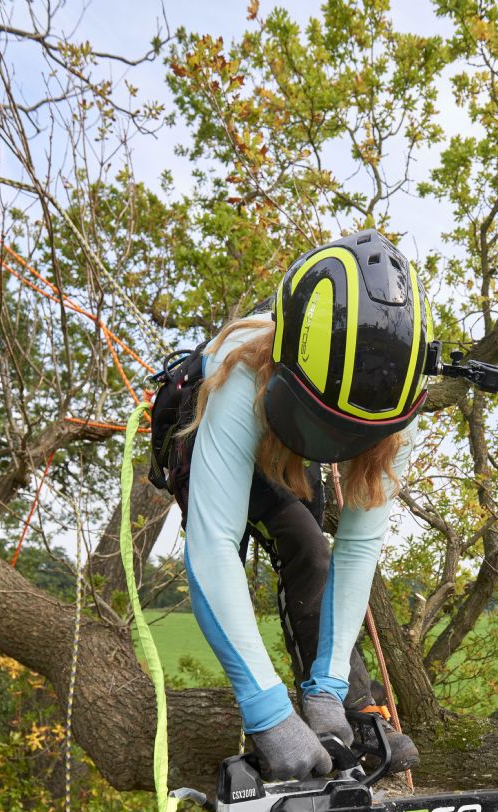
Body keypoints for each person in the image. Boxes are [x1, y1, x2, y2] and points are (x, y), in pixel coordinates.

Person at [178, 229, 433, 781]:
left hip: (291, 436)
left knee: (312, 553)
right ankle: (289, 714)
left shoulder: (398, 402)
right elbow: (212, 546)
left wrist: (327, 687)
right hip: (216, 431)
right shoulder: (242, 369)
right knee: (299, 539)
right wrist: (268, 713)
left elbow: (358, 549)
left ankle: (344, 704)